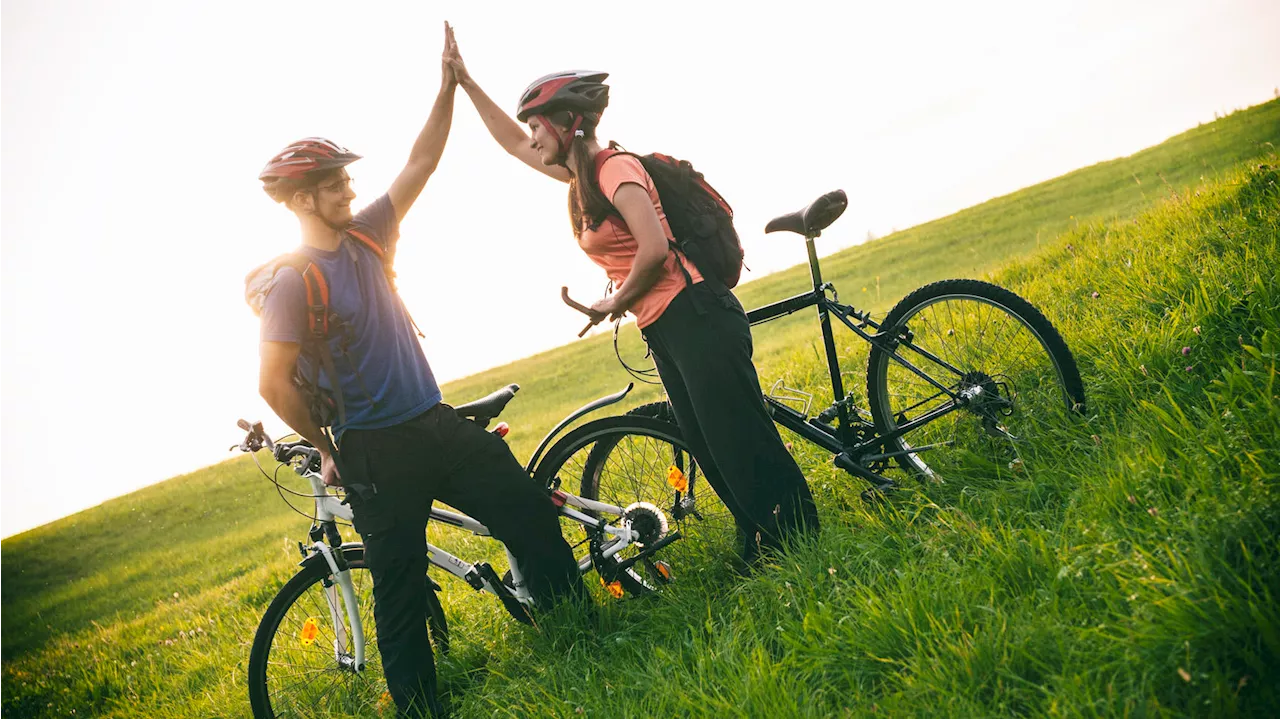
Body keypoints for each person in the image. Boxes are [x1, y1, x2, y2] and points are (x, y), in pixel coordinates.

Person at [252, 23, 585, 718]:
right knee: (399, 588)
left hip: (436, 421)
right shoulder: (293, 282)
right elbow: (272, 383)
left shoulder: (369, 231)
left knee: (525, 512)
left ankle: (580, 631)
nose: (349, 187)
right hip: (375, 450)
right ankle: (421, 708)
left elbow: (421, 162)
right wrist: (326, 447)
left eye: (346, 178)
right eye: (334, 182)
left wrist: (449, 87)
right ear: (302, 199)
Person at [444, 34, 820, 567]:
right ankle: (761, 535)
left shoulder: (612, 169)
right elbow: (510, 143)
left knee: (739, 436)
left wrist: (611, 302)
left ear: (568, 122)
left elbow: (655, 248)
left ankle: (799, 538)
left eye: (537, 125)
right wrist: (464, 82)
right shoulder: (579, 176)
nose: (531, 137)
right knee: (707, 444)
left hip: (698, 316)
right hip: (666, 326)